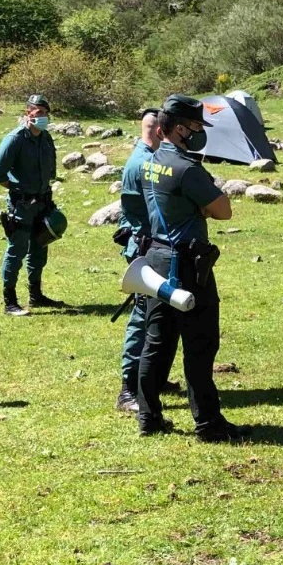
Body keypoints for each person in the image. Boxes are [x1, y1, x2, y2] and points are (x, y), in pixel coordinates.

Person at [135, 94, 249, 442]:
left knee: (157, 341)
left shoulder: (150, 162)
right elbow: (224, 210)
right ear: (181, 129)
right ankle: (208, 424)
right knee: (199, 345)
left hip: (155, 259)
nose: (201, 132)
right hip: (186, 266)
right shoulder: (188, 169)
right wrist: (202, 208)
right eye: (198, 126)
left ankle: (148, 417)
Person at [0, 93, 60, 316]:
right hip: (21, 206)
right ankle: (10, 301)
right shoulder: (15, 139)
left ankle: (36, 295)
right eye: (38, 112)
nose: (42, 117)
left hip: (42, 203)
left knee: (40, 249)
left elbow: (50, 172)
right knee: (17, 251)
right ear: (27, 113)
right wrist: (19, 191)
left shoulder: (46, 138)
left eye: (45, 113)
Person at [115, 108, 162, 413]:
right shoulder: (145, 163)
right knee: (142, 318)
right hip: (144, 248)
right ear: (159, 132)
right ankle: (128, 389)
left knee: (159, 316)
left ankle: (153, 375)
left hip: (145, 244)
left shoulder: (143, 156)